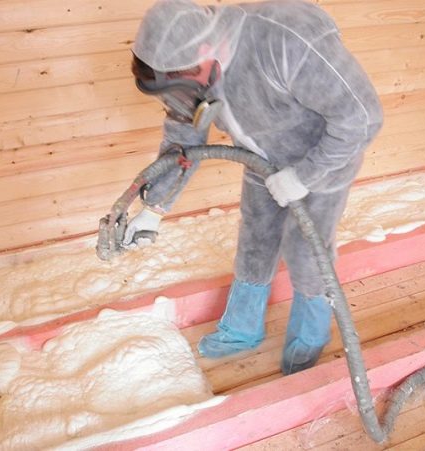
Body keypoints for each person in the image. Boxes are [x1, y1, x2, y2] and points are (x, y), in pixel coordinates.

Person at [125, 0, 383, 375]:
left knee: (306, 250)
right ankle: (242, 328)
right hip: (259, 157)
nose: (179, 101)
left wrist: (303, 177)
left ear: (203, 54)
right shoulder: (192, 64)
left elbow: (362, 118)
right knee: (255, 240)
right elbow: (185, 137)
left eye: (181, 88)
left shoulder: (285, 41)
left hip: (323, 160)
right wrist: (154, 208)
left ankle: (309, 337)